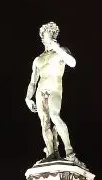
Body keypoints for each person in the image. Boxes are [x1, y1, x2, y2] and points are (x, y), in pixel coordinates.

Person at [25, 22, 77, 161]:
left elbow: (72, 63)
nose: (51, 37)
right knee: (44, 123)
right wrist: (27, 98)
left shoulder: (61, 51)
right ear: (43, 38)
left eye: (53, 35)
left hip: (54, 89)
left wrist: (58, 49)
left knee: (54, 115)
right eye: (48, 35)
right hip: (40, 91)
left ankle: (69, 152)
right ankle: (51, 153)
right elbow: (33, 81)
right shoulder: (38, 59)